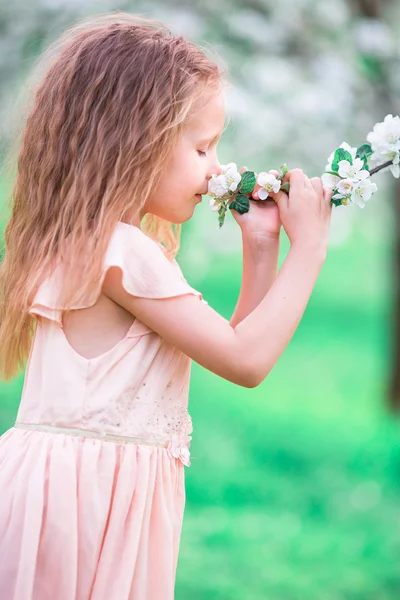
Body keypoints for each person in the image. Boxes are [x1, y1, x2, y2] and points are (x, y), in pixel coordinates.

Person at [0, 11, 332, 600]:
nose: (214, 169)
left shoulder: (88, 240)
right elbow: (246, 362)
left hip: (69, 491)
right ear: (137, 141)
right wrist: (309, 248)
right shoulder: (126, 252)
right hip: (92, 502)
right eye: (201, 147)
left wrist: (260, 249)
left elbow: (227, 347)